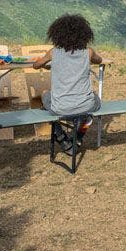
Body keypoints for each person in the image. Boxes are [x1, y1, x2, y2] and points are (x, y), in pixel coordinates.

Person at [32, 14, 103, 151]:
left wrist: (46, 64)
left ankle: (60, 135)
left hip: (60, 108)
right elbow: (99, 60)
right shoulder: (88, 52)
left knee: (46, 95)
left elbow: (36, 65)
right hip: (85, 106)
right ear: (85, 35)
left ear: (57, 35)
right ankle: (79, 136)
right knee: (93, 100)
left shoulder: (53, 53)